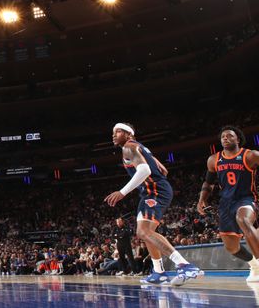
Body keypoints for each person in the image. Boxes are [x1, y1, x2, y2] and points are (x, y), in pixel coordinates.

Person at [104, 122, 203, 286]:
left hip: (155, 191)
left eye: (118, 131)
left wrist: (122, 192)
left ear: (129, 134)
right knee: (143, 232)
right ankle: (158, 272)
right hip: (151, 191)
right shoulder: (138, 147)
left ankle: (186, 266)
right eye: (113, 132)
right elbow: (159, 167)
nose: (114, 135)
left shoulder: (128, 146)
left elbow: (145, 170)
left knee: (144, 231)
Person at [197, 125, 259, 282]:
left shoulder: (250, 155)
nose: (225, 138)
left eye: (230, 136)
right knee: (231, 247)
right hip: (225, 203)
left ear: (238, 139)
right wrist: (202, 199)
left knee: (243, 219)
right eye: (223, 136)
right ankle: (254, 266)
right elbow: (208, 183)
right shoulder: (213, 159)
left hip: (246, 198)